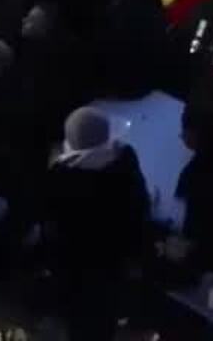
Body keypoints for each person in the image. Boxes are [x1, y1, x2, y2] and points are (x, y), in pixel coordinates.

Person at [39, 106, 150, 338]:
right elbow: (140, 210)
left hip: (76, 274)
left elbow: (52, 230)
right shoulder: (125, 161)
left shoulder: (60, 178)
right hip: (115, 266)